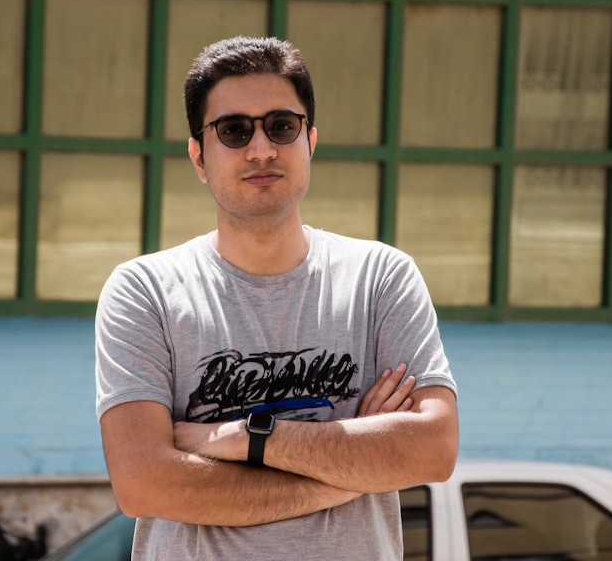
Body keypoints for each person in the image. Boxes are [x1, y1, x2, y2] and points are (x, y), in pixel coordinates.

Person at [95, 36, 458, 560]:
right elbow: (145, 485)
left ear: (309, 141)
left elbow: (433, 449)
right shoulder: (144, 292)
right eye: (234, 130)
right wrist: (348, 474)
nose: (260, 148)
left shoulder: (381, 279)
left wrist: (246, 438)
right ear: (199, 156)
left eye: (281, 127)